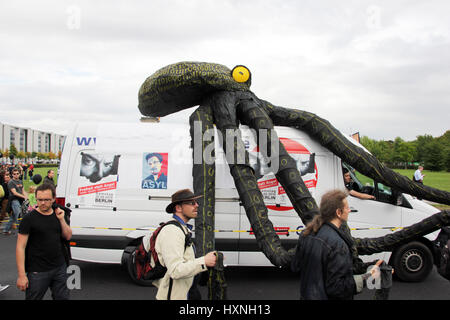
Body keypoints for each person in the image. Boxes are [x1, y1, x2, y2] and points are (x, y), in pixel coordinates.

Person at [291, 189, 382, 300]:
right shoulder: (338, 244)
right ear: (338, 212)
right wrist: (369, 276)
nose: (349, 211)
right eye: (347, 208)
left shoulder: (306, 234)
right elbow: (337, 288)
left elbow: (295, 267)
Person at [152, 188, 217, 300]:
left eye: (196, 202)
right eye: (191, 203)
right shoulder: (172, 232)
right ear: (178, 208)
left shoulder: (182, 229)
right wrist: (204, 261)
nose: (196, 205)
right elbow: (175, 270)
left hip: (187, 293)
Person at [16, 183, 72, 300]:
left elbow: (67, 236)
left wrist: (61, 220)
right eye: (39, 199)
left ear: (53, 199)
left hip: (59, 267)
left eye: (46, 200)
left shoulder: (59, 214)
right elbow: (20, 247)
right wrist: (21, 275)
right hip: (37, 271)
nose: (42, 203)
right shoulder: (29, 219)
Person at [3, 168, 27, 235]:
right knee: (18, 214)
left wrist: (26, 197)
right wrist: (24, 197)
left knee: (13, 216)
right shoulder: (11, 182)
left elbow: (23, 190)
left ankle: (6, 229)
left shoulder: (20, 181)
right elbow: (14, 192)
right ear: (12, 175)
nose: (16, 175)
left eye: (17, 174)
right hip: (14, 200)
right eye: (14, 174)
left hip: (20, 199)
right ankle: (20, 230)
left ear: (19, 174)